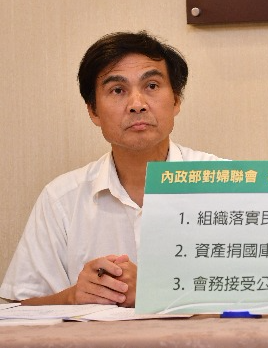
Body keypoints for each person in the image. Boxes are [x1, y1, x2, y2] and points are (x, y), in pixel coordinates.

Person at [0, 31, 222, 306]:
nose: (137, 105)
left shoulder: (225, 185)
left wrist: (155, 291)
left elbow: (264, 295)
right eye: (118, 90)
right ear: (93, 111)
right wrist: (72, 296)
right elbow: (18, 308)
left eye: (152, 86)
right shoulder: (61, 199)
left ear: (176, 100)